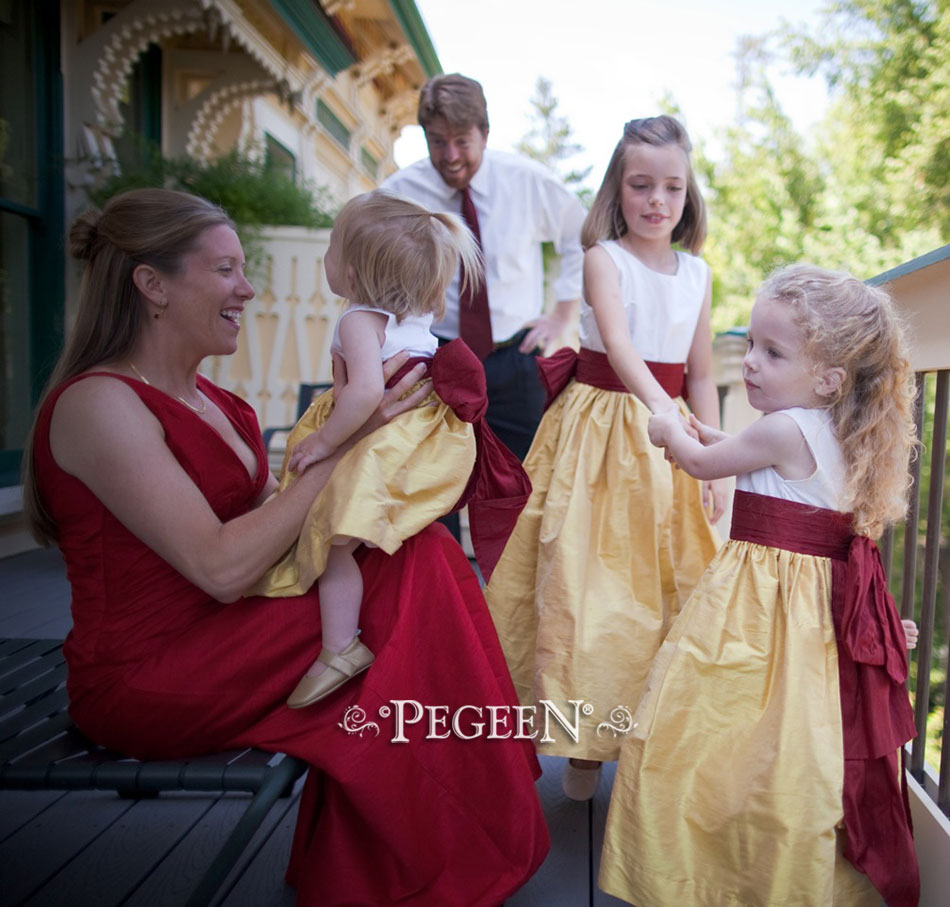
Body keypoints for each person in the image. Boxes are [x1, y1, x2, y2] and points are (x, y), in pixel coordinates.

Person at [22, 188, 549, 906]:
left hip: (233, 630)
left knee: (411, 550)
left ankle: (448, 834)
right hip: (153, 672)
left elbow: (285, 524)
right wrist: (351, 449)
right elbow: (221, 566)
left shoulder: (222, 404)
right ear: (152, 286)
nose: (248, 287)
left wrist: (394, 466)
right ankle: (446, 841)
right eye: (226, 270)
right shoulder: (100, 404)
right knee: (409, 570)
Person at [599, 264, 919, 906]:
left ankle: (694, 869)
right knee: (788, 744)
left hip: (756, 608)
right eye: (751, 344)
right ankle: (781, 875)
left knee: (705, 727)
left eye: (772, 353)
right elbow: (751, 458)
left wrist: (669, 426)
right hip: (810, 615)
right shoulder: (833, 433)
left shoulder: (781, 429)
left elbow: (700, 464)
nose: (749, 363)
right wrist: (711, 434)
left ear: (828, 377)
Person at [484, 115, 726, 800]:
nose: (657, 200)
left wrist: (713, 452)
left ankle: (652, 738)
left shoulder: (699, 272)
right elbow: (618, 345)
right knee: (589, 590)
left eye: (672, 188)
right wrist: (662, 412)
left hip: (671, 433)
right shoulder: (602, 258)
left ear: (688, 195)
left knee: (669, 586)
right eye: (641, 184)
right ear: (617, 189)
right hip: (604, 433)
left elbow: (701, 373)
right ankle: (585, 739)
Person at [248, 190, 528, 708]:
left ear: (351, 273)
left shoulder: (358, 320)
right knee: (351, 534)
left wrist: (323, 440)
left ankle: (340, 647)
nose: (325, 255)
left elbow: (366, 394)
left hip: (386, 441)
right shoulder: (414, 322)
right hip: (428, 445)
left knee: (332, 540)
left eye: (332, 245)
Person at [382, 72, 586, 462]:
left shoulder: (528, 182)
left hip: (515, 359)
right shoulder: (399, 194)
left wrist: (561, 314)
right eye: (438, 142)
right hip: (433, 358)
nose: (451, 156)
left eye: (462, 142)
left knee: (517, 491)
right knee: (427, 490)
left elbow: (581, 234)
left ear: (485, 134)